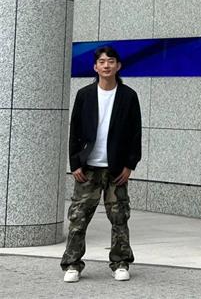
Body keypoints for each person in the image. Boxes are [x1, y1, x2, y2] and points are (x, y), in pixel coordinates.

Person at [61, 45, 142, 283]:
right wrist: (75, 163)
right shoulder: (84, 95)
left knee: (119, 217)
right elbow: (75, 131)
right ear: (95, 67)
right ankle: (72, 264)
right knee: (78, 218)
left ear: (118, 66)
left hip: (117, 168)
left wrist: (130, 165)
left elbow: (135, 133)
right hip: (88, 168)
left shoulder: (128, 96)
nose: (106, 65)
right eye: (102, 62)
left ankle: (121, 262)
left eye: (111, 61)